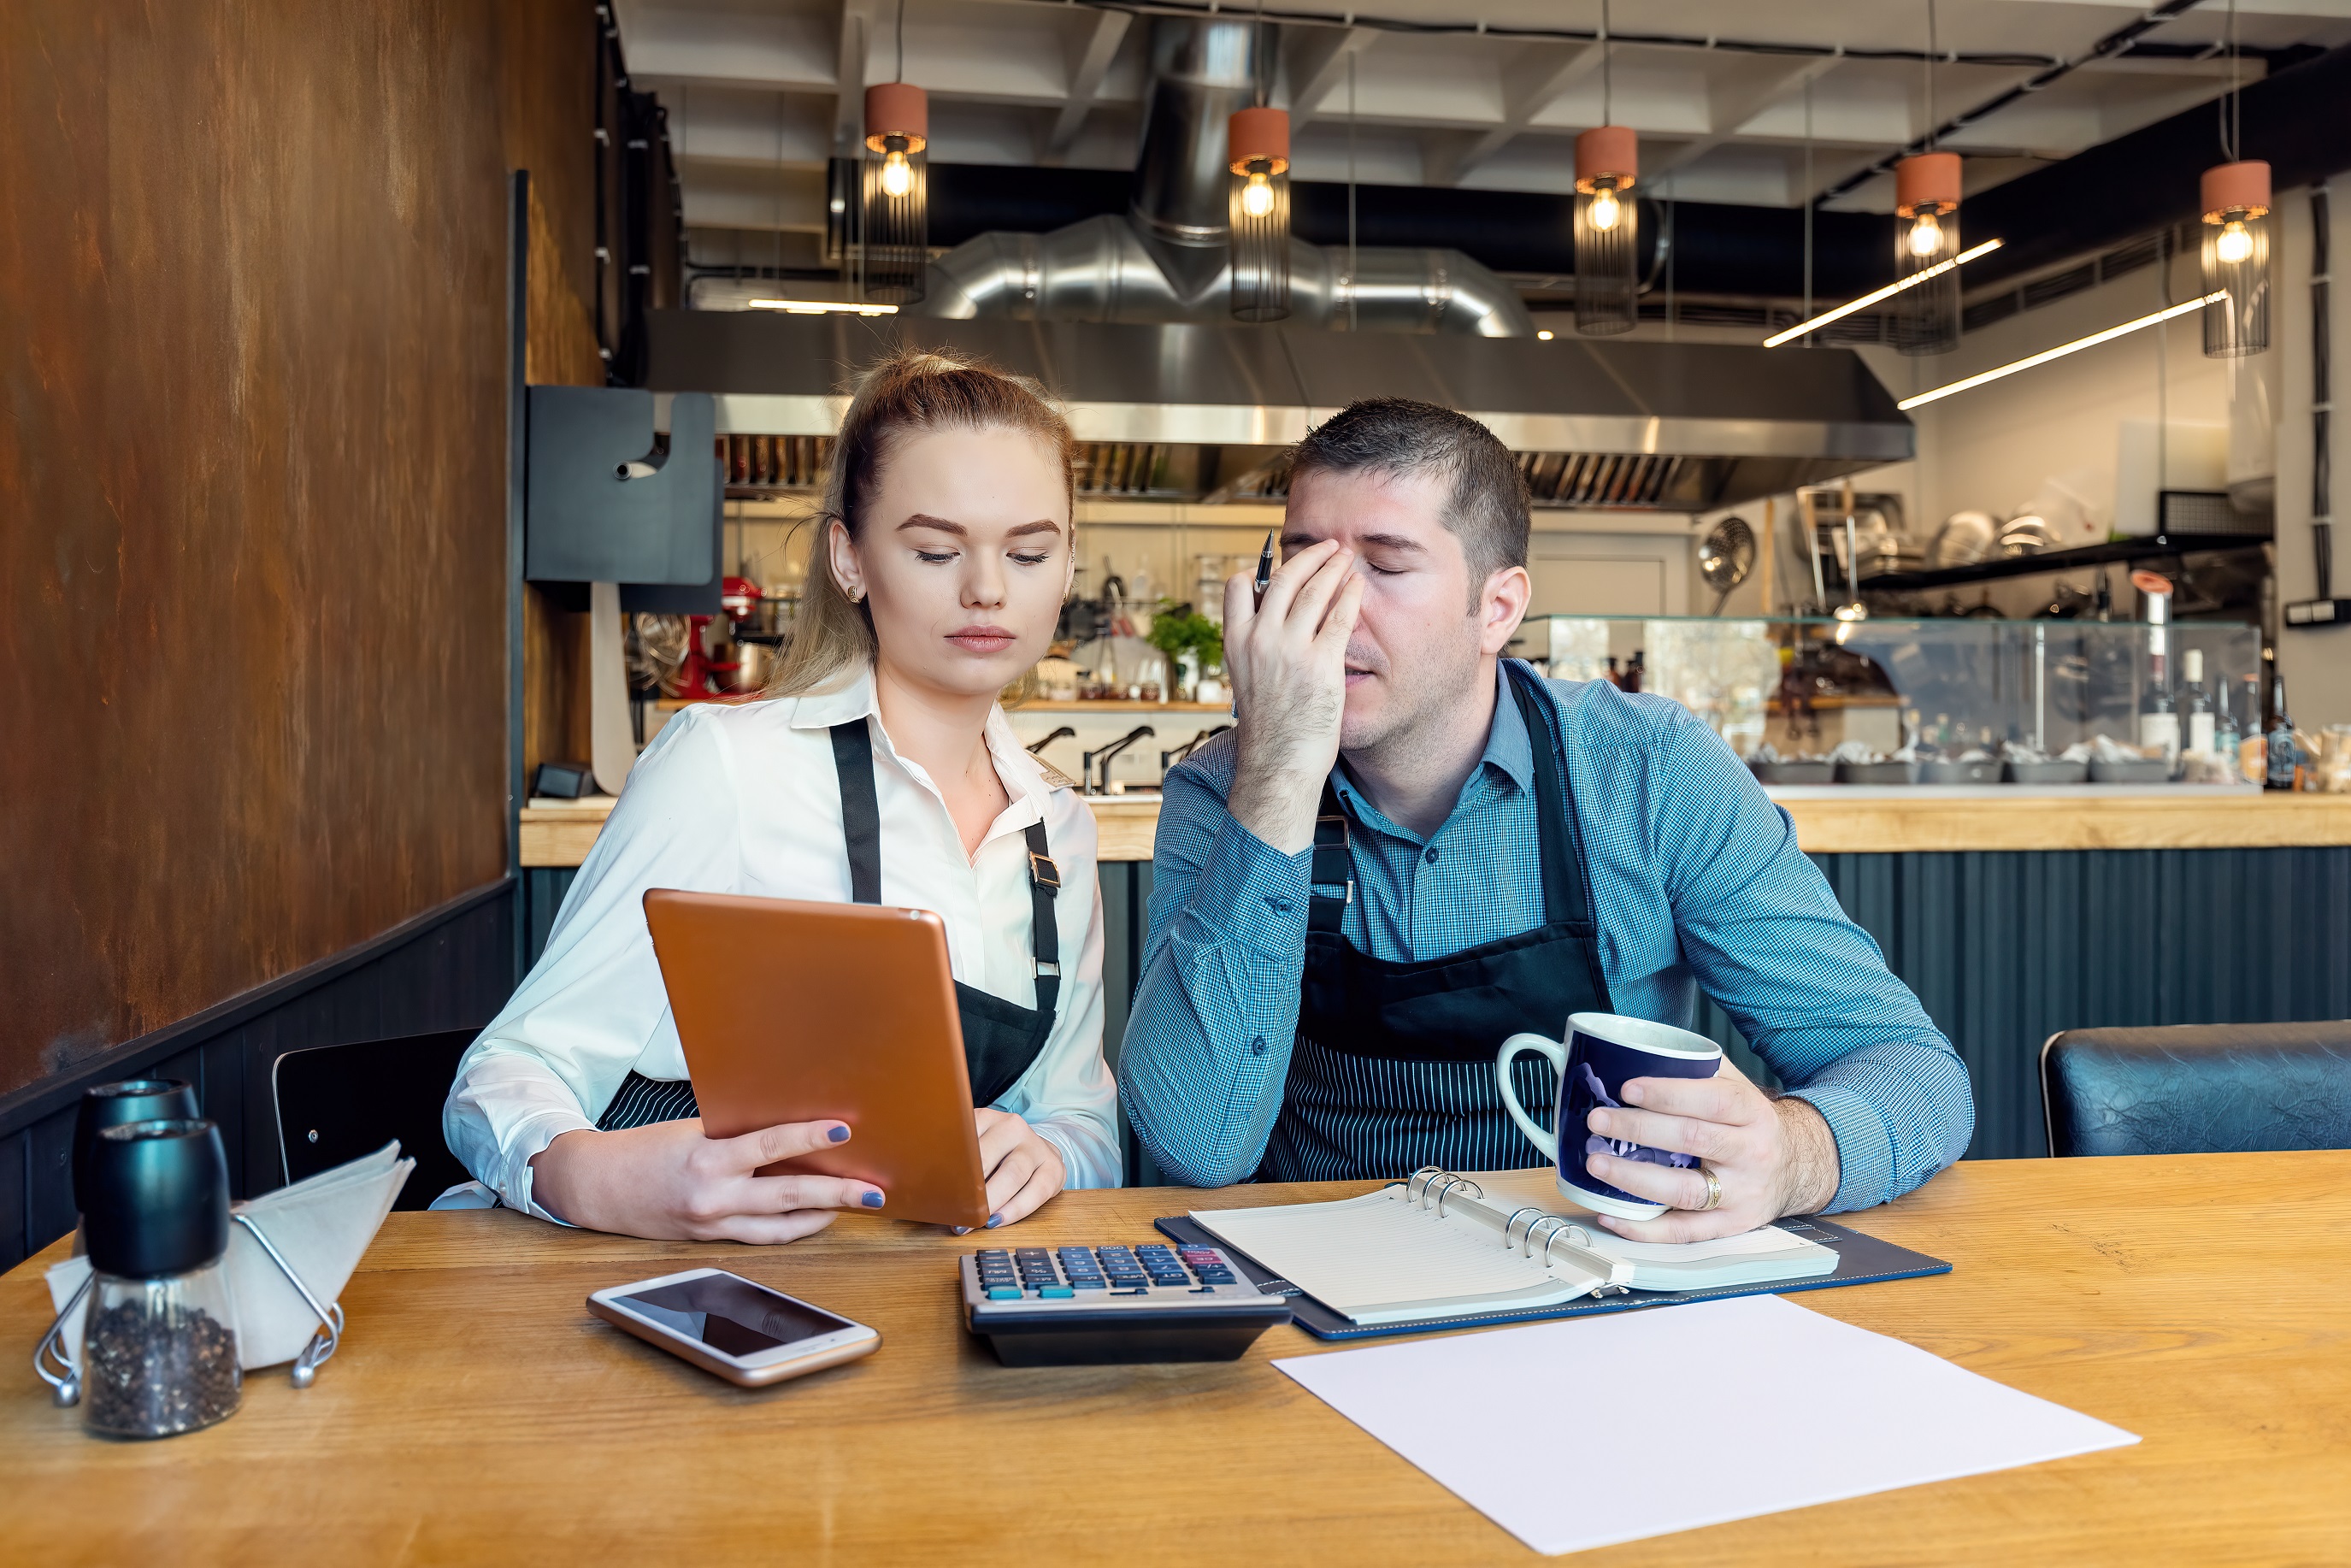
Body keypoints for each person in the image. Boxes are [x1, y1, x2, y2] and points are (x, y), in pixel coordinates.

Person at [1120, 398, 1973, 1242]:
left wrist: (1792, 1156)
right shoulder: (1222, 787)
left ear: (1497, 609)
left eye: (1384, 565)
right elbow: (1198, 1145)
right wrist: (1274, 775)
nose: (1329, 611)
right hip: (1316, 1291)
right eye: (1303, 563)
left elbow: (1911, 1071)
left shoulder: (1649, 773)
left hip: (1592, 1283)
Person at [445, 350, 1119, 1242]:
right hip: (685, 1284)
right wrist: (602, 1179)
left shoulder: (1054, 828)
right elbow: (506, 1071)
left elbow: (1084, 1124)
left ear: (1067, 566)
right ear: (849, 558)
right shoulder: (724, 766)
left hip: (919, 1301)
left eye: (1028, 551)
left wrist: (1048, 1150)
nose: (986, 588)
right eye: (934, 549)